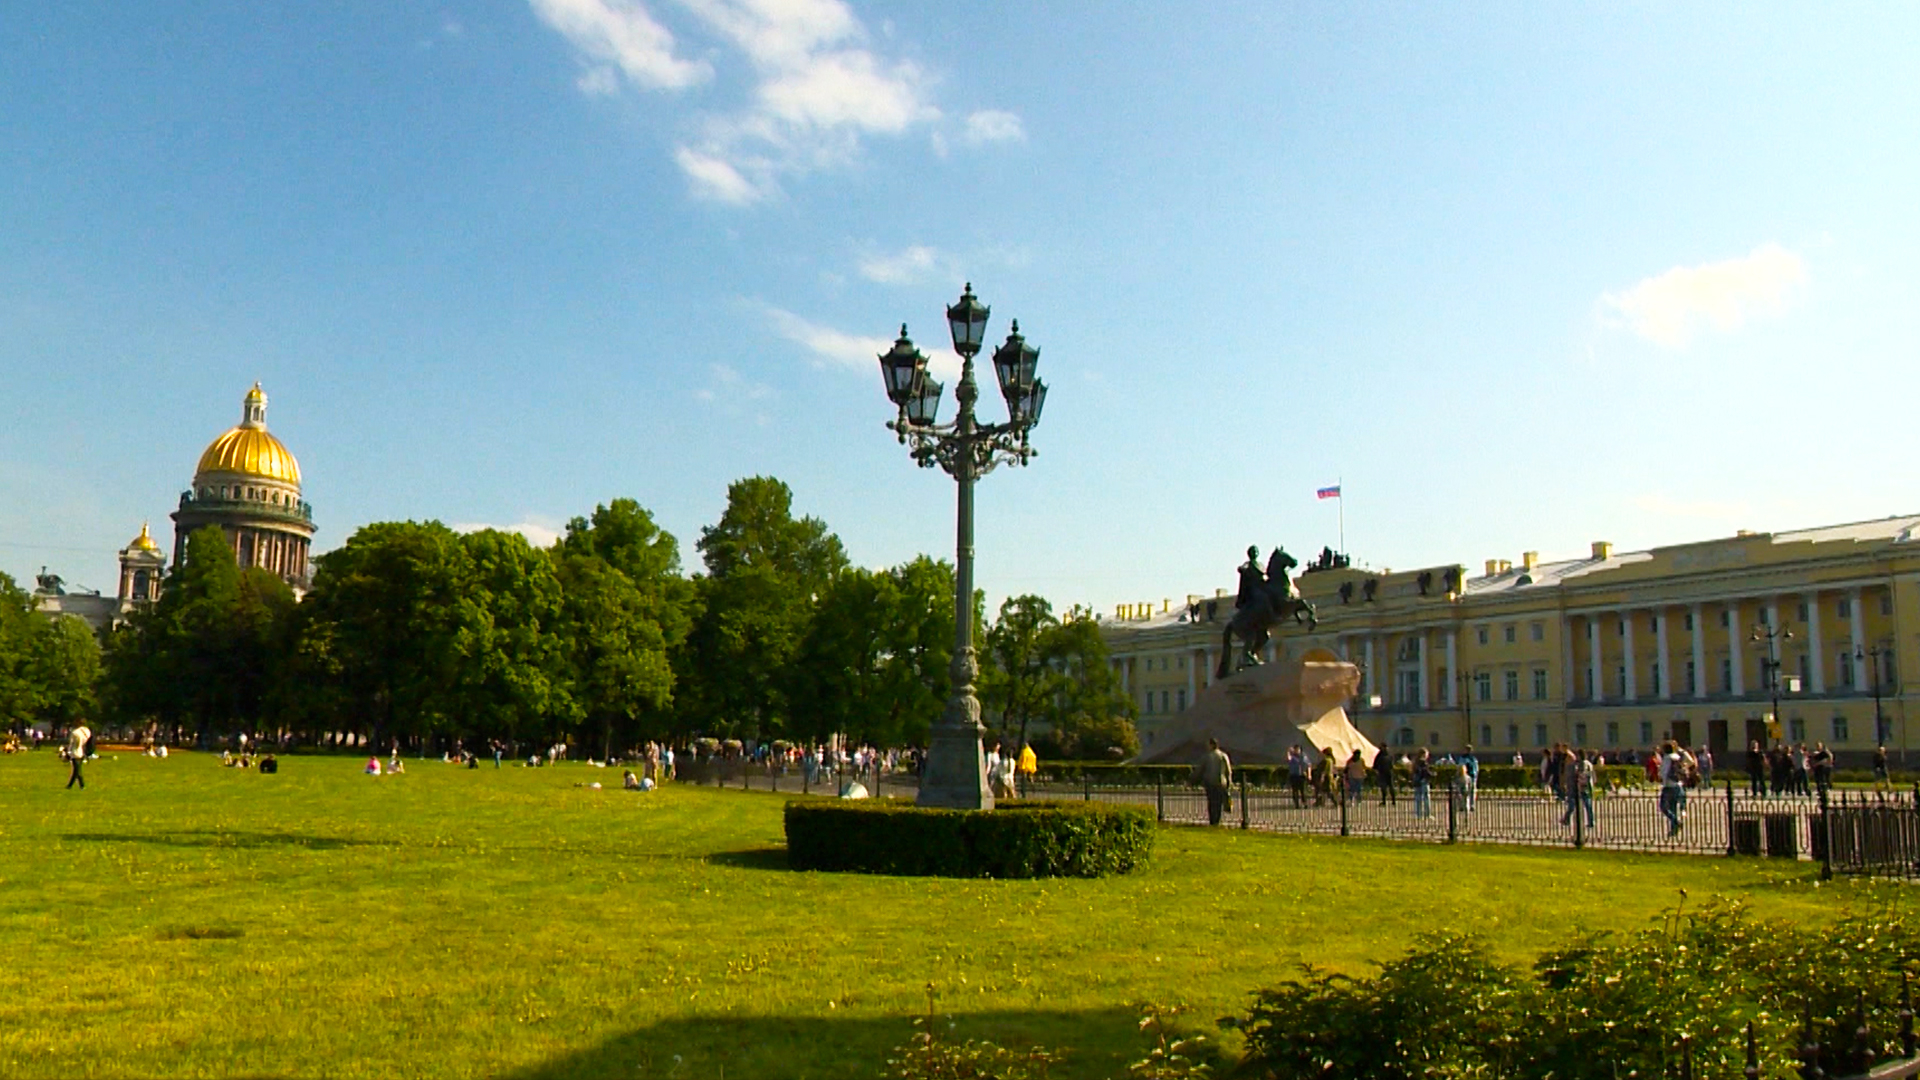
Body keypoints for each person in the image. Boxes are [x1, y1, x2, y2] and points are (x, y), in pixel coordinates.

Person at [1193, 738, 1233, 826]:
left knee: (1211, 802)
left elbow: (1200, 770)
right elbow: (1228, 771)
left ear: (1211, 745)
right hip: (1221, 783)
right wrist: (1228, 783)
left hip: (1210, 783)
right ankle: (1217, 820)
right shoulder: (1223, 756)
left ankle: (1213, 820)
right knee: (1218, 802)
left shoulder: (1207, 757)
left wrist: (1194, 779)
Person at [1560, 748, 1594, 831]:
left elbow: (1583, 774)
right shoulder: (1581, 764)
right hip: (1581, 787)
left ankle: (1589, 821)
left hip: (1581, 787)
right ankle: (1590, 821)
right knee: (1585, 805)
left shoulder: (1582, 764)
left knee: (1581, 805)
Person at [64, 721, 91, 790]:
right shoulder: (87, 731)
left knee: (77, 771)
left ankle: (80, 785)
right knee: (76, 770)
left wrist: (67, 752)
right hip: (81, 752)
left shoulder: (75, 732)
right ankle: (71, 786)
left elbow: (72, 743)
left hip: (74, 753)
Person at [1411, 748, 1433, 819]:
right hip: (1424, 781)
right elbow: (1426, 772)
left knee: (1418, 798)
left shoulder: (1415, 762)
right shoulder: (1423, 762)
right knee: (1426, 798)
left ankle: (1418, 814)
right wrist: (1432, 775)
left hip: (1417, 782)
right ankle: (1427, 814)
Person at [1459, 745, 1479, 812]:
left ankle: (1471, 805)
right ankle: (1463, 805)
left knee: (1472, 791)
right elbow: (1461, 767)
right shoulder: (1463, 758)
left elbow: (1476, 768)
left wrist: (1475, 774)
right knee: (1465, 791)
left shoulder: (1473, 758)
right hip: (1466, 776)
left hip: (1472, 776)